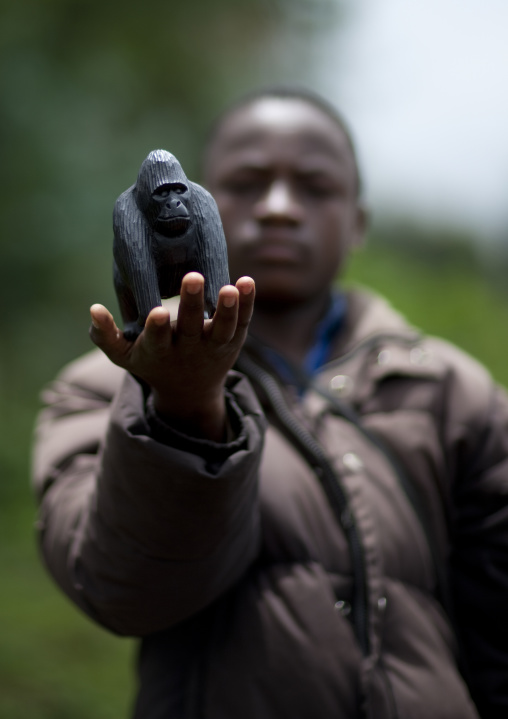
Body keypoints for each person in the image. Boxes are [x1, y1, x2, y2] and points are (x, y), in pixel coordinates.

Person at [32, 87, 508, 719]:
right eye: (248, 182)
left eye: (315, 187)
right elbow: (126, 591)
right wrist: (181, 407)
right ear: (201, 201)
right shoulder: (104, 387)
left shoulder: (453, 392)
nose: (280, 208)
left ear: (358, 221)